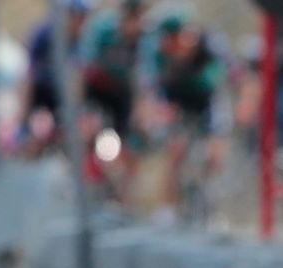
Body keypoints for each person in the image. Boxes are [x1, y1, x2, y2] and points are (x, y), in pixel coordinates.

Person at [146, 10, 228, 221]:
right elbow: (153, 89)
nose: (166, 44)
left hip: (207, 99)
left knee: (213, 151)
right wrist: (160, 113)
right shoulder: (158, 54)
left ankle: (211, 199)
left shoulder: (207, 46)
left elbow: (217, 82)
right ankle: (167, 208)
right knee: (174, 149)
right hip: (176, 100)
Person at [80, 0, 150, 194]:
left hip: (123, 93)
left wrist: (142, 112)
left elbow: (146, 78)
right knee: (89, 131)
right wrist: (80, 107)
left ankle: (122, 196)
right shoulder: (103, 30)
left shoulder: (145, 38)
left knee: (131, 140)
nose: (136, 24)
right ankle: (87, 184)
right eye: (131, 17)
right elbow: (84, 67)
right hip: (97, 89)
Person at [17, 0, 93, 155]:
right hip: (39, 92)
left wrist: (75, 116)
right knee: (33, 137)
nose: (82, 23)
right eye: (79, 17)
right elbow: (28, 77)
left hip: (62, 95)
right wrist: (24, 118)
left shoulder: (81, 40)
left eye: (85, 18)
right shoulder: (44, 34)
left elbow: (79, 80)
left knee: (75, 137)